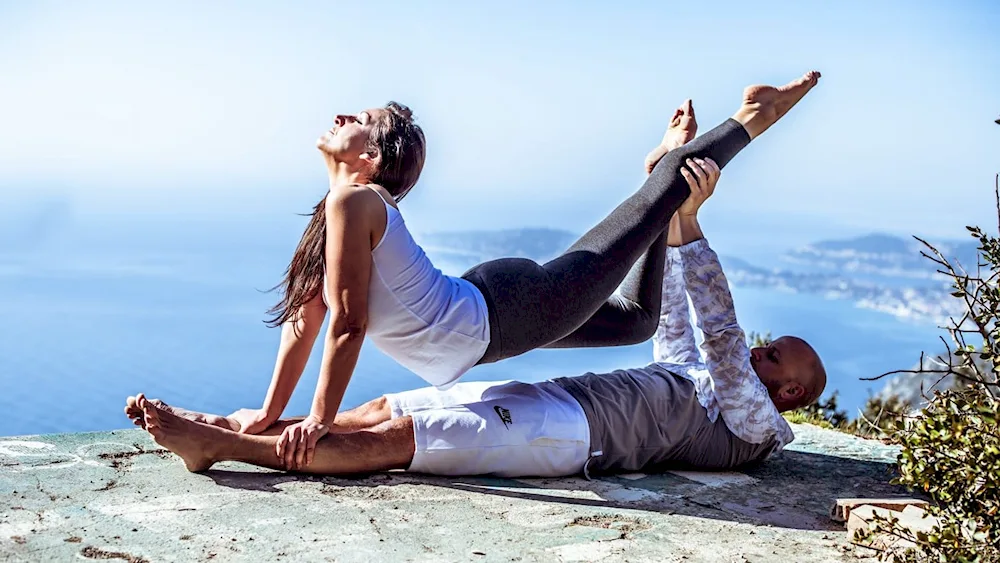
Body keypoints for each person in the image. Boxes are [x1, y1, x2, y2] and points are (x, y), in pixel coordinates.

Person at [125, 120, 827, 476]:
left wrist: (687, 214)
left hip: (574, 439)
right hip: (563, 401)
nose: (758, 351)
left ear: (790, 394)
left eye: (775, 357)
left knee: (395, 442)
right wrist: (670, 205)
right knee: (378, 409)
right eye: (770, 347)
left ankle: (218, 446)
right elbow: (668, 322)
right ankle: (226, 423)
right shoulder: (707, 382)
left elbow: (723, 336)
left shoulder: (753, 424)